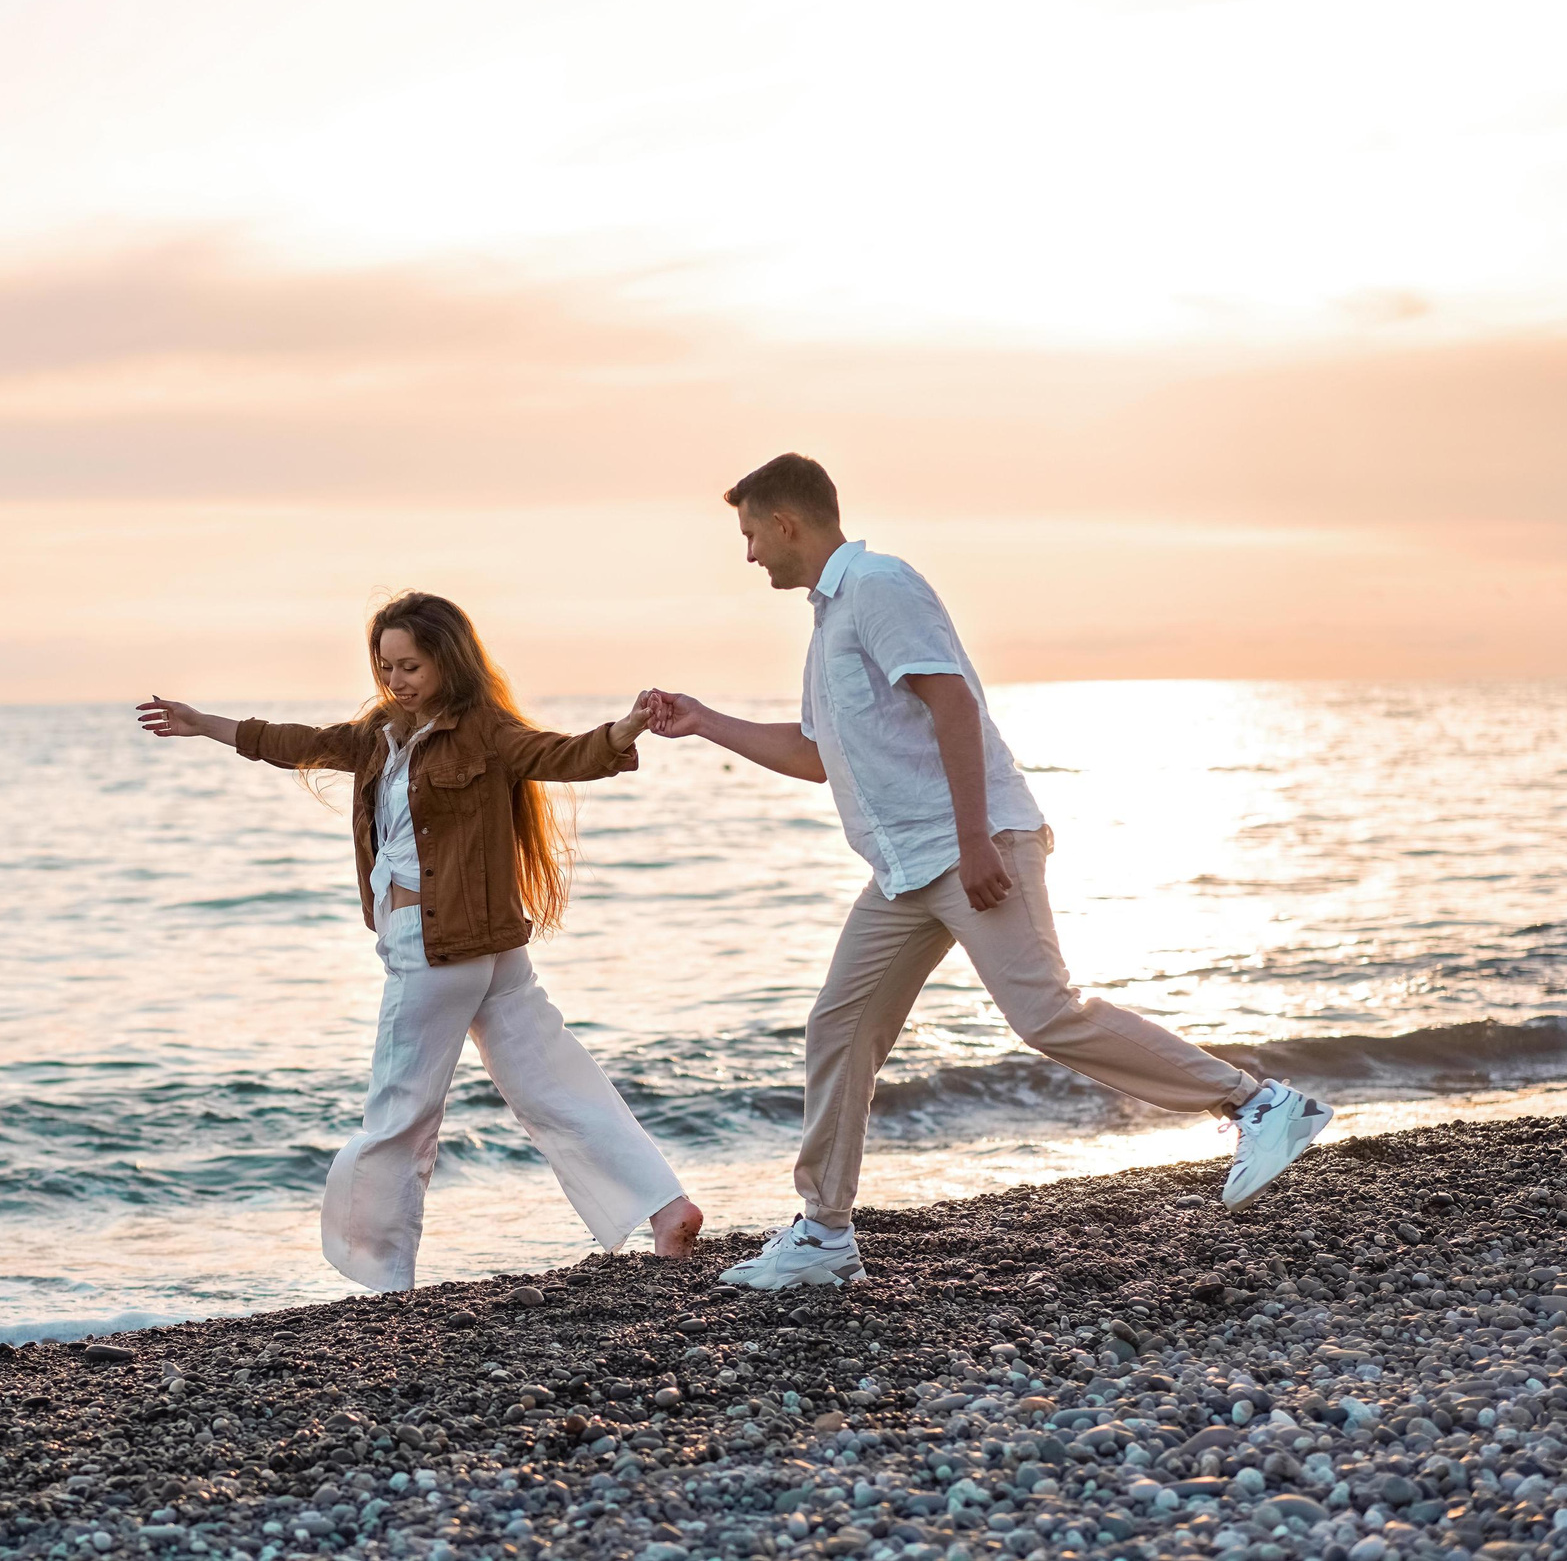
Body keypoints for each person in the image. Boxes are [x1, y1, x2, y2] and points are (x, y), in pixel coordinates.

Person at [644, 453, 1329, 1292]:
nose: (748, 554)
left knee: (1044, 1013)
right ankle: (824, 1233)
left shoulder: (882, 586)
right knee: (840, 1027)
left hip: (972, 844)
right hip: (903, 870)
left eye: (751, 534)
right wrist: (703, 721)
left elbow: (954, 702)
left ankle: (1258, 1104)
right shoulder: (829, 623)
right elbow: (814, 755)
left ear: (787, 523)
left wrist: (975, 841)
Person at [137, 591, 703, 1291]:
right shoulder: (380, 734)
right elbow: (294, 741)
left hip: (435, 948)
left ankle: (382, 1275)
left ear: (447, 659)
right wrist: (206, 725)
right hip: (490, 951)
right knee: (553, 1084)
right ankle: (664, 1207)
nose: (397, 680)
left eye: (410, 665)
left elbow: (558, 753)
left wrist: (622, 731)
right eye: (385, 667)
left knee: (399, 1111)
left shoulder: (483, 731)